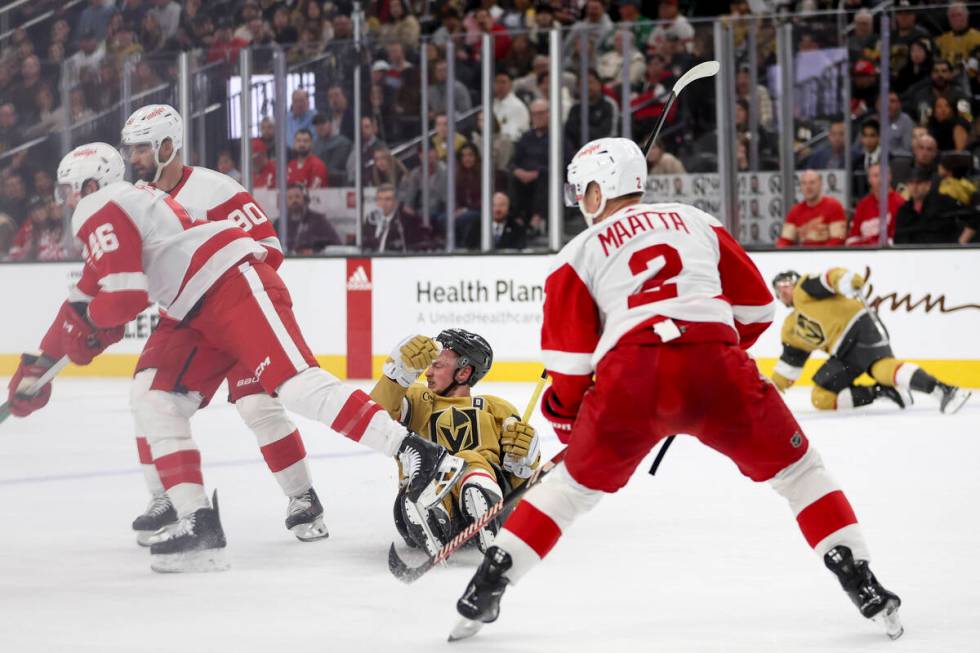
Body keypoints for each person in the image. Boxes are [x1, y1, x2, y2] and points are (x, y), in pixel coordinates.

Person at [450, 137, 903, 642]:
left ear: (600, 191)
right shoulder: (697, 221)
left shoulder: (576, 253)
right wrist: (713, 349)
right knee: (800, 472)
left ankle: (487, 585)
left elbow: (570, 367)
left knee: (570, 492)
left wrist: (575, 419)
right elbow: (757, 310)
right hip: (717, 365)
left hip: (632, 378)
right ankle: (859, 577)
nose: (580, 203)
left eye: (584, 192)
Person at [6, 143, 464, 573]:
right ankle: (199, 525)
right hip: (194, 309)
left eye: (69, 191)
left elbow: (120, 301)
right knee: (154, 397)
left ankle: (419, 454)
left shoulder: (103, 205)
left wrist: (86, 333)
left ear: (89, 185)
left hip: (229, 285)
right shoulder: (128, 203)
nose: (66, 202)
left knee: (296, 386)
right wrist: (38, 368)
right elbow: (83, 302)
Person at [370, 329, 539, 555]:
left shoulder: (496, 408)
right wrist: (396, 376)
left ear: (464, 372)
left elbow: (516, 482)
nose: (428, 373)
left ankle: (481, 496)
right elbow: (373, 419)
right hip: (418, 505)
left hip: (492, 503)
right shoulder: (418, 399)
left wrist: (524, 461)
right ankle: (431, 509)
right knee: (437, 466)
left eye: (437, 366)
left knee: (468, 460)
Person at [770, 269, 970, 414]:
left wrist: (846, 279)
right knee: (821, 398)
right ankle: (883, 392)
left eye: (787, 285)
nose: (785, 291)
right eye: (780, 290)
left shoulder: (804, 289)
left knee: (882, 369)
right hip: (842, 353)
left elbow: (830, 278)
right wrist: (768, 391)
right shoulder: (790, 328)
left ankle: (943, 389)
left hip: (859, 328)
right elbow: (790, 365)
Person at [895, 166, 974, 244]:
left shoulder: (944, 201)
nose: (915, 187)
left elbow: (973, 217)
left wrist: (961, 242)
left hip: (943, 252)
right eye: (911, 183)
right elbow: (900, 237)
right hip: (913, 254)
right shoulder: (904, 210)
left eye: (919, 183)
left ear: (928, 185)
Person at [776, 170, 847, 247]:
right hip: (803, 256)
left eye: (812, 183)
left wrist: (819, 253)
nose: (808, 187)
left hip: (827, 256)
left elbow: (839, 238)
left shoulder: (834, 206)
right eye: (804, 183)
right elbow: (785, 239)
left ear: (820, 184)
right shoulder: (795, 210)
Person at [846, 163, 904, 246]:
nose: (880, 179)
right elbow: (853, 237)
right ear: (869, 179)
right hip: (864, 254)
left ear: (890, 177)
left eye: (883, 175)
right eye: (876, 176)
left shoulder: (899, 203)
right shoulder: (863, 205)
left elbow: (896, 239)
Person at [284, 183, 342, 254]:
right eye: (290, 198)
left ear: (305, 199)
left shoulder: (319, 220)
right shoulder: (280, 223)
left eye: (297, 196)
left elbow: (336, 244)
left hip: (314, 262)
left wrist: (315, 250)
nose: (294, 201)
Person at [312, 113, 352, 185]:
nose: (320, 127)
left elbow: (335, 166)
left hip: (338, 184)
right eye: (317, 125)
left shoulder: (342, 142)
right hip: (319, 183)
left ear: (331, 124)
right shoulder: (314, 145)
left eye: (323, 123)